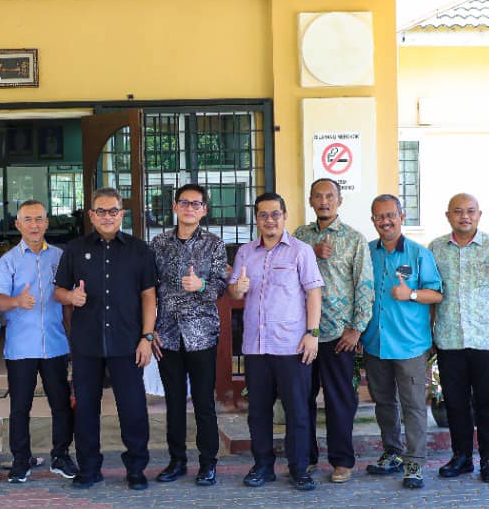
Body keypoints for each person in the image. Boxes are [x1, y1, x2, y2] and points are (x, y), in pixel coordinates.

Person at [55, 187, 159, 490]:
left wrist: (147, 337)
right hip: (87, 343)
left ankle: (136, 469)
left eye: (113, 210)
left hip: (129, 343)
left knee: (133, 408)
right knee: (86, 408)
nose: (107, 216)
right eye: (100, 211)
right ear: (91, 215)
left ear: (122, 214)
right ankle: (89, 468)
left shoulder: (140, 250)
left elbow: (149, 296)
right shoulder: (74, 250)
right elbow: (58, 291)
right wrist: (71, 296)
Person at [230, 193, 322, 490]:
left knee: (297, 410)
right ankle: (262, 466)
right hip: (256, 347)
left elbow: (313, 294)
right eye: (263, 215)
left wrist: (313, 334)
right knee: (258, 411)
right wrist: (237, 289)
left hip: (291, 346)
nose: (269, 220)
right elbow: (234, 293)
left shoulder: (300, 251)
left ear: (284, 216)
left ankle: (299, 468)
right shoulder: (245, 252)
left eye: (275, 214)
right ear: (256, 218)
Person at [428, 194, 489, 485]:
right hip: (450, 337)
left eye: (470, 211)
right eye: (458, 211)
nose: (464, 216)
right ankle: (462, 456)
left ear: (479, 214)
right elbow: (431, 291)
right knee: (454, 402)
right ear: (448, 215)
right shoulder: (436, 248)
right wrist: (430, 333)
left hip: (487, 338)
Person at [293, 178, 374, 484]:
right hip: (303, 334)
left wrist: (355, 329)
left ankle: (342, 461)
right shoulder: (299, 237)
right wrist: (311, 252)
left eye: (330, 196)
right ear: (310, 200)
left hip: (339, 336)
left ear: (339, 200)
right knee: (302, 399)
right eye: (318, 196)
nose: (324, 201)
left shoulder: (354, 239)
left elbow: (364, 287)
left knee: (340, 401)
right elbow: (289, 273)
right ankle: (306, 457)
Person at [361, 195, 444, 491]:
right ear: (373, 220)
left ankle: (415, 462)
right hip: (375, 343)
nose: (385, 221)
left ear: (401, 216)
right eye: (379, 216)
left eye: (390, 215)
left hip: (410, 345)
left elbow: (436, 294)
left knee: (413, 405)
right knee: (384, 403)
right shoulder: (367, 252)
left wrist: (409, 294)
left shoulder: (419, 254)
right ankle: (392, 453)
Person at [0, 200, 77, 482]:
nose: (34, 225)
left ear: (47, 222)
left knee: (61, 404)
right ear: (18, 225)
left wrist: (73, 336)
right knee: (20, 407)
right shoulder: (9, 260)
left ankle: (61, 456)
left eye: (39, 219)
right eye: (28, 219)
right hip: (21, 346)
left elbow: (68, 300)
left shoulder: (60, 257)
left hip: (55, 344)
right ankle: (20, 460)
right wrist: (17, 300)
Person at [149, 183, 229, 485]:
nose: (190, 208)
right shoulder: (158, 244)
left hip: (202, 334)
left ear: (204, 210)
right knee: (174, 402)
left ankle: (208, 463)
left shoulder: (214, 244)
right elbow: (148, 288)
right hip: (167, 333)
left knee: (204, 403)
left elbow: (222, 286)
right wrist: (149, 329)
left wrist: (203, 286)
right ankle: (176, 461)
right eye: (184, 203)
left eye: (196, 204)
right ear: (174, 207)